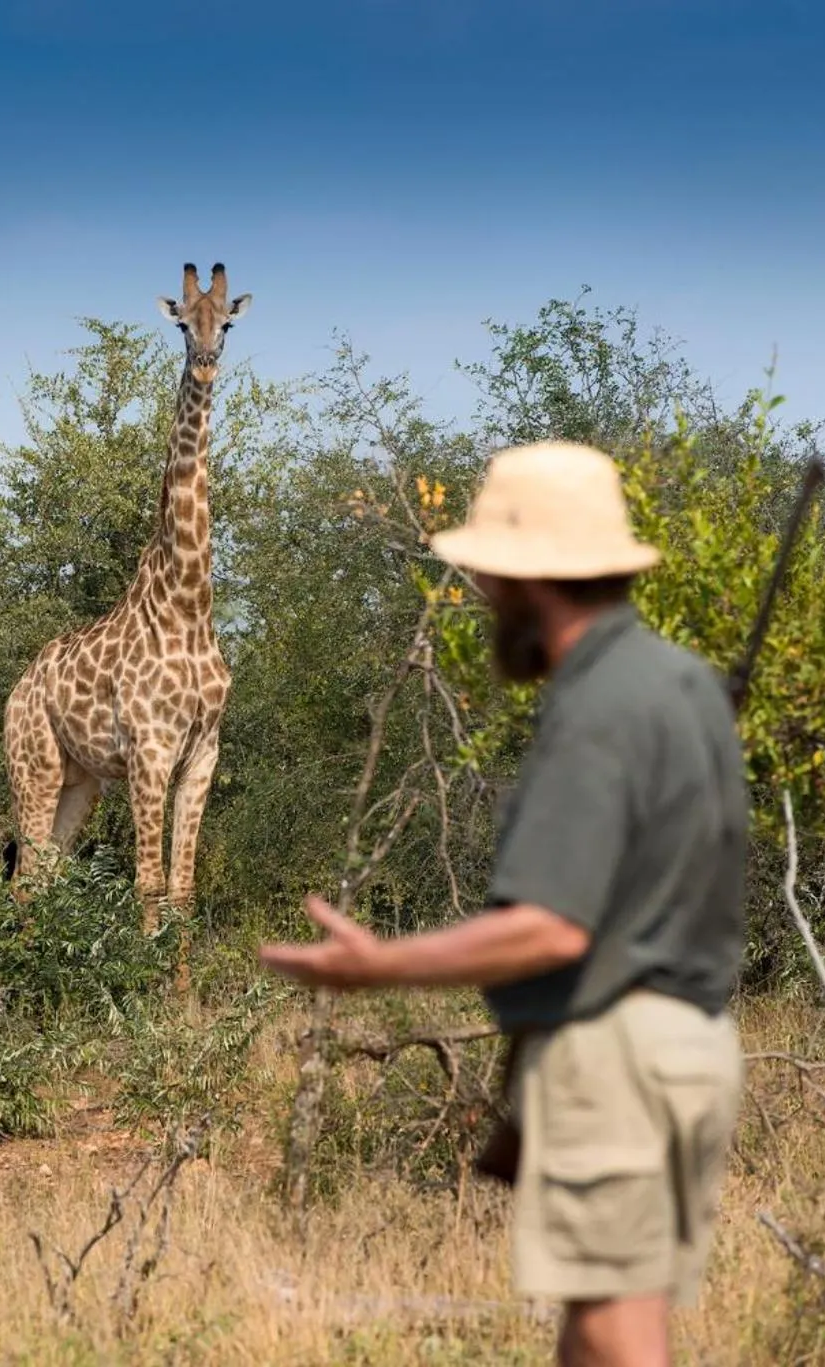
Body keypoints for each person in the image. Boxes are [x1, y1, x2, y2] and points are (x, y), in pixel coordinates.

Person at [258, 440, 749, 1367]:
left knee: (613, 1325)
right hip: (692, 1045)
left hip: (617, 1055)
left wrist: (376, 967)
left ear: (531, 579)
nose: (480, 593)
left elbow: (552, 924)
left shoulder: (599, 703)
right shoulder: (682, 681)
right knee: (603, 1315)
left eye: (487, 574)